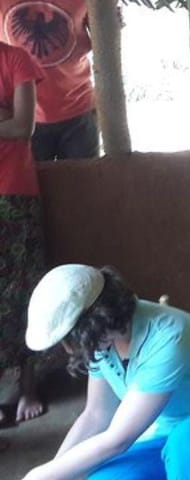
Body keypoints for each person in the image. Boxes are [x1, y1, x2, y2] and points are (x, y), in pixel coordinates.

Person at [21, 265, 190, 479]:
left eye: (71, 338)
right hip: (160, 439)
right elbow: (96, 414)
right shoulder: (103, 340)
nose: (68, 348)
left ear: (96, 321)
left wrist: (40, 475)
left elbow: (118, 439)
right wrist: (54, 470)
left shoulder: (170, 333)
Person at [0, 38, 46, 445]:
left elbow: (22, 125)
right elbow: (8, 123)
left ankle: (28, 385)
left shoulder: (15, 58)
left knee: (24, 289)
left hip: (12, 191)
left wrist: (8, 121)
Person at [0, 0, 101, 161]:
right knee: (33, 184)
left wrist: (113, 24)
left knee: (84, 183)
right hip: (22, 115)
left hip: (78, 109)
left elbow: (102, 38)